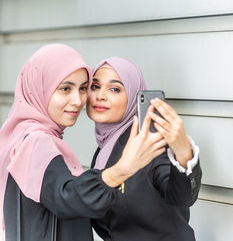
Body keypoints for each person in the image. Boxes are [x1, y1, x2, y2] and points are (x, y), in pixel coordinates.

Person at [0, 45, 168, 241]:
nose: (77, 100)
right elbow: (66, 196)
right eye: (65, 89)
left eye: (82, 89)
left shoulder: (22, 136)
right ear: (38, 88)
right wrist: (122, 169)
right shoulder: (36, 141)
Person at [87, 57, 202, 241]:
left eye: (115, 89)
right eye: (94, 86)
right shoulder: (106, 146)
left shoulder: (148, 142)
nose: (100, 95)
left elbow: (182, 197)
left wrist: (182, 152)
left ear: (133, 95)